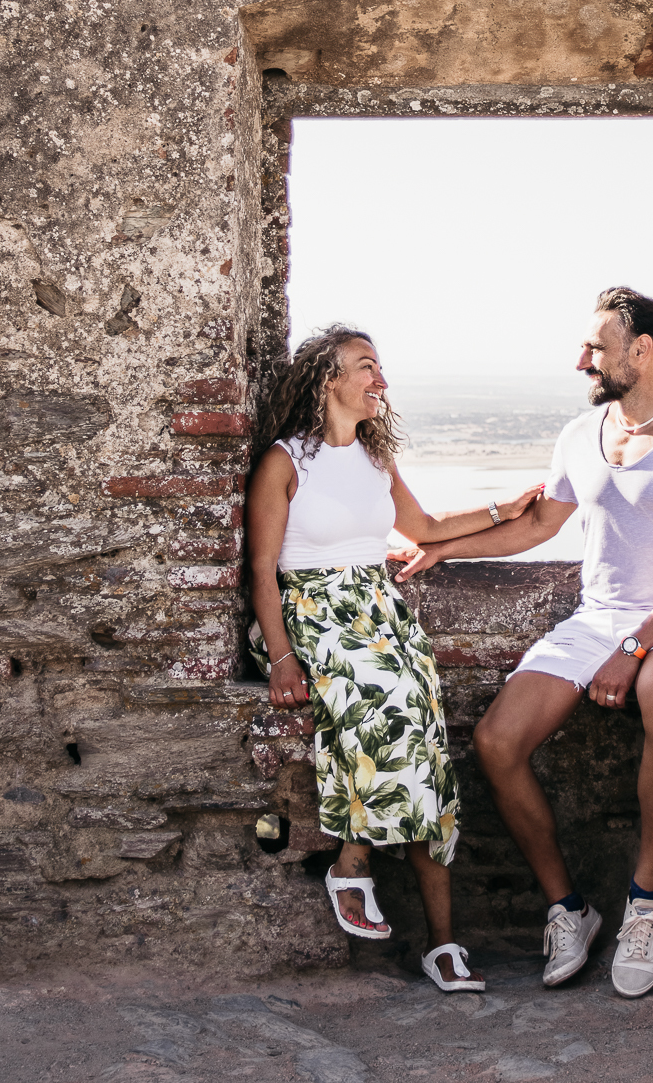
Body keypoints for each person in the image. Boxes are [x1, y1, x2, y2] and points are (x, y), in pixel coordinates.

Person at [393, 287, 653, 998]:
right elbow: (539, 527)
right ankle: (568, 909)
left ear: (641, 352)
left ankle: (645, 903)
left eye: (597, 347)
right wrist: (446, 552)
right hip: (596, 621)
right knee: (496, 740)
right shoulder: (580, 437)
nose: (583, 360)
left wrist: (638, 646)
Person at [246, 323, 542, 993]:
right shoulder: (285, 461)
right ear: (328, 380)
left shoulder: (376, 459)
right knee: (396, 710)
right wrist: (284, 659)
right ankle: (353, 864)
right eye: (366, 367)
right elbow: (263, 569)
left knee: (427, 748)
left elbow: (427, 530)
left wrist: (507, 506)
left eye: (379, 369)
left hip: (378, 613)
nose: (380, 381)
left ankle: (440, 939)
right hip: (313, 613)